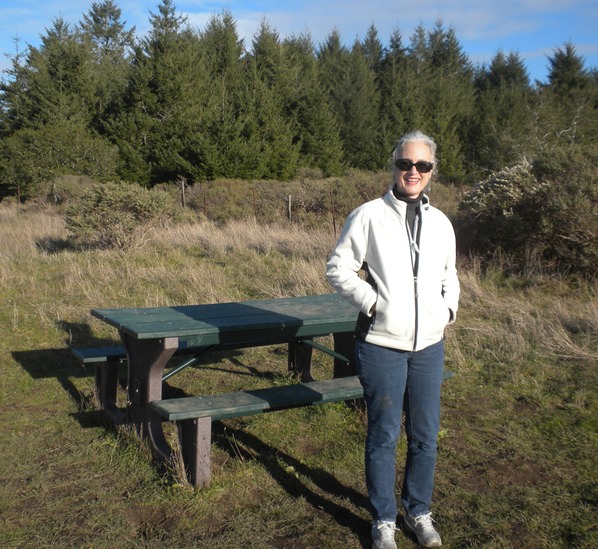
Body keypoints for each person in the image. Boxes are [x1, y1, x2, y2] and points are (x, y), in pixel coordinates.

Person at [326, 130, 459, 549]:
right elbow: (338, 268)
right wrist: (373, 303)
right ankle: (384, 519)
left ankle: (418, 511)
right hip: (382, 343)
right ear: (394, 167)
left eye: (422, 165)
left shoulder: (441, 223)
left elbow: (449, 275)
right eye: (405, 164)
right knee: (383, 435)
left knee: (424, 434)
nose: (413, 172)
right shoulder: (367, 216)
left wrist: (446, 310)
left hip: (429, 346)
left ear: (432, 171)